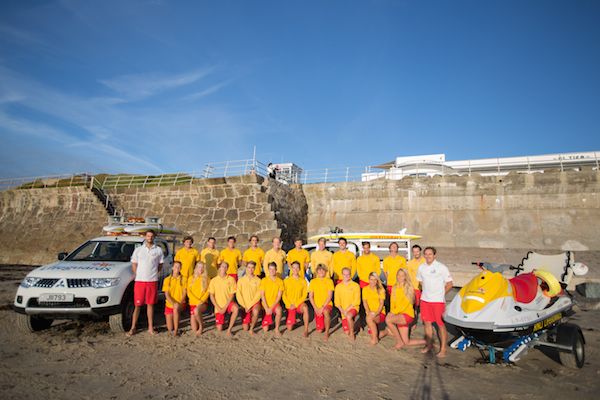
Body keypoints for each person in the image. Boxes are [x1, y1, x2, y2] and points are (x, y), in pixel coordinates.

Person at [417, 247, 453, 358]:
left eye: (430, 254)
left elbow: (450, 284)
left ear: (434, 255)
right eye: (426, 254)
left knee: (440, 324)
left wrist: (441, 294)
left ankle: (443, 349)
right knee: (427, 323)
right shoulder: (421, 267)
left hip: (437, 301)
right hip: (425, 300)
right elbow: (420, 282)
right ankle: (429, 345)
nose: (428, 256)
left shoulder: (441, 267)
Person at [127, 230, 164, 336]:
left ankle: (150, 328)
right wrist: (138, 274)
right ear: (145, 237)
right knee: (137, 305)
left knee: (150, 305)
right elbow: (134, 263)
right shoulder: (138, 250)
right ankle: (133, 328)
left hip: (152, 281)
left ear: (154, 237)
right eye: (148, 236)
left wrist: (154, 273)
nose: (150, 238)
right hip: (140, 281)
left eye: (152, 236)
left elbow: (160, 264)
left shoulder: (158, 250)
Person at [386, 269, 425, 349]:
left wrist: (393, 312)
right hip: (399, 315)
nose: (400, 277)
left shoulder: (409, 288)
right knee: (407, 342)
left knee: (388, 320)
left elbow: (405, 304)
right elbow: (392, 302)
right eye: (398, 275)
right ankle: (427, 342)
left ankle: (399, 342)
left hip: (407, 315)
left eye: (402, 275)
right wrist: (391, 311)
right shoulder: (395, 287)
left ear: (405, 277)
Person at [208, 261, 239, 336]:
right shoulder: (214, 280)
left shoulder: (231, 279)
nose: (223, 268)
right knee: (219, 329)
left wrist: (225, 307)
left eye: (225, 267)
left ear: (227, 269)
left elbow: (232, 295)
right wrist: (218, 307)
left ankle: (229, 330)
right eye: (222, 266)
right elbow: (211, 295)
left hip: (228, 304)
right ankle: (225, 320)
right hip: (218, 305)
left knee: (236, 308)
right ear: (219, 267)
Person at [308, 264, 334, 341]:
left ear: (326, 272)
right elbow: (310, 297)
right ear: (316, 272)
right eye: (319, 270)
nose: (321, 271)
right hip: (317, 307)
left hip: (326, 305)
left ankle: (327, 332)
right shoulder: (313, 281)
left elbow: (329, 296)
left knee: (325, 311)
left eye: (323, 270)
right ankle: (322, 325)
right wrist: (315, 308)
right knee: (319, 330)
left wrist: (322, 307)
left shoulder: (329, 281)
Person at [282, 261, 309, 337]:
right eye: (294, 267)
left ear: (299, 269)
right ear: (291, 269)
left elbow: (304, 295)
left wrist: (296, 304)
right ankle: (292, 319)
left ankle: (306, 329)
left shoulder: (303, 281)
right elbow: (284, 294)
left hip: (298, 304)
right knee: (290, 328)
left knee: (305, 308)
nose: (295, 269)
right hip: (290, 304)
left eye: (297, 267)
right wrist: (289, 304)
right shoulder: (286, 281)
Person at [334, 267, 361, 341]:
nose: (346, 276)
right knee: (346, 332)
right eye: (344, 274)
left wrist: (347, 310)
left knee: (349, 316)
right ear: (342, 275)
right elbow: (337, 302)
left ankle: (352, 334)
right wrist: (342, 311)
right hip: (343, 311)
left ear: (350, 275)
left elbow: (357, 301)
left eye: (348, 274)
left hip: (353, 307)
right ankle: (355, 323)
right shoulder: (338, 286)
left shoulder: (356, 285)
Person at [236, 261, 262, 335]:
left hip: (253, 302)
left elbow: (258, 295)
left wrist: (250, 305)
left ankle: (252, 328)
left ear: (254, 269)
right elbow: (238, 294)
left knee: (256, 311)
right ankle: (247, 318)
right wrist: (244, 305)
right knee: (245, 328)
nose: (250, 269)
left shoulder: (258, 280)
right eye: (249, 267)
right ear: (246, 268)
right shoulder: (241, 280)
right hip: (244, 304)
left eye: (252, 268)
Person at [163, 261, 187, 336]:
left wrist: (179, 303)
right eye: (176, 266)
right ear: (172, 268)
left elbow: (184, 293)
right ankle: (174, 322)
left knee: (176, 308)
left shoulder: (183, 279)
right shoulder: (167, 279)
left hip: (180, 303)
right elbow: (167, 294)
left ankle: (176, 331)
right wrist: (173, 304)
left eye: (179, 267)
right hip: (169, 304)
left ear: (181, 269)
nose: (177, 268)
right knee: (170, 328)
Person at [259, 262, 284, 335]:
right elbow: (262, 295)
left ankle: (276, 329)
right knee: (265, 329)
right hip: (265, 304)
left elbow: (279, 296)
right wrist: (266, 308)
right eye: (270, 269)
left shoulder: (280, 281)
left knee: (279, 310)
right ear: (268, 270)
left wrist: (272, 307)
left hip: (274, 303)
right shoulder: (264, 280)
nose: (272, 271)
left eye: (273, 269)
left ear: (276, 270)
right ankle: (266, 317)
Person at [362, 271, 386, 345]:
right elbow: (365, 302)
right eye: (371, 279)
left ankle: (374, 340)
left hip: (380, 313)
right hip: (370, 313)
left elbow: (381, 304)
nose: (373, 281)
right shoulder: (365, 289)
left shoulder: (381, 289)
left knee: (369, 319)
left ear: (377, 280)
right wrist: (369, 312)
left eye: (375, 279)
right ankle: (386, 331)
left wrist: (375, 313)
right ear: (368, 280)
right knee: (372, 332)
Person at [188, 262, 210, 336]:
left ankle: (201, 326)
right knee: (194, 329)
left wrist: (201, 301)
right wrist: (196, 301)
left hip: (202, 302)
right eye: (199, 267)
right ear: (196, 268)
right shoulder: (191, 278)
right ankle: (198, 322)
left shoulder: (207, 278)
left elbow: (208, 291)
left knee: (196, 310)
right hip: (193, 302)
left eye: (202, 267)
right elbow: (189, 292)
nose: (200, 269)